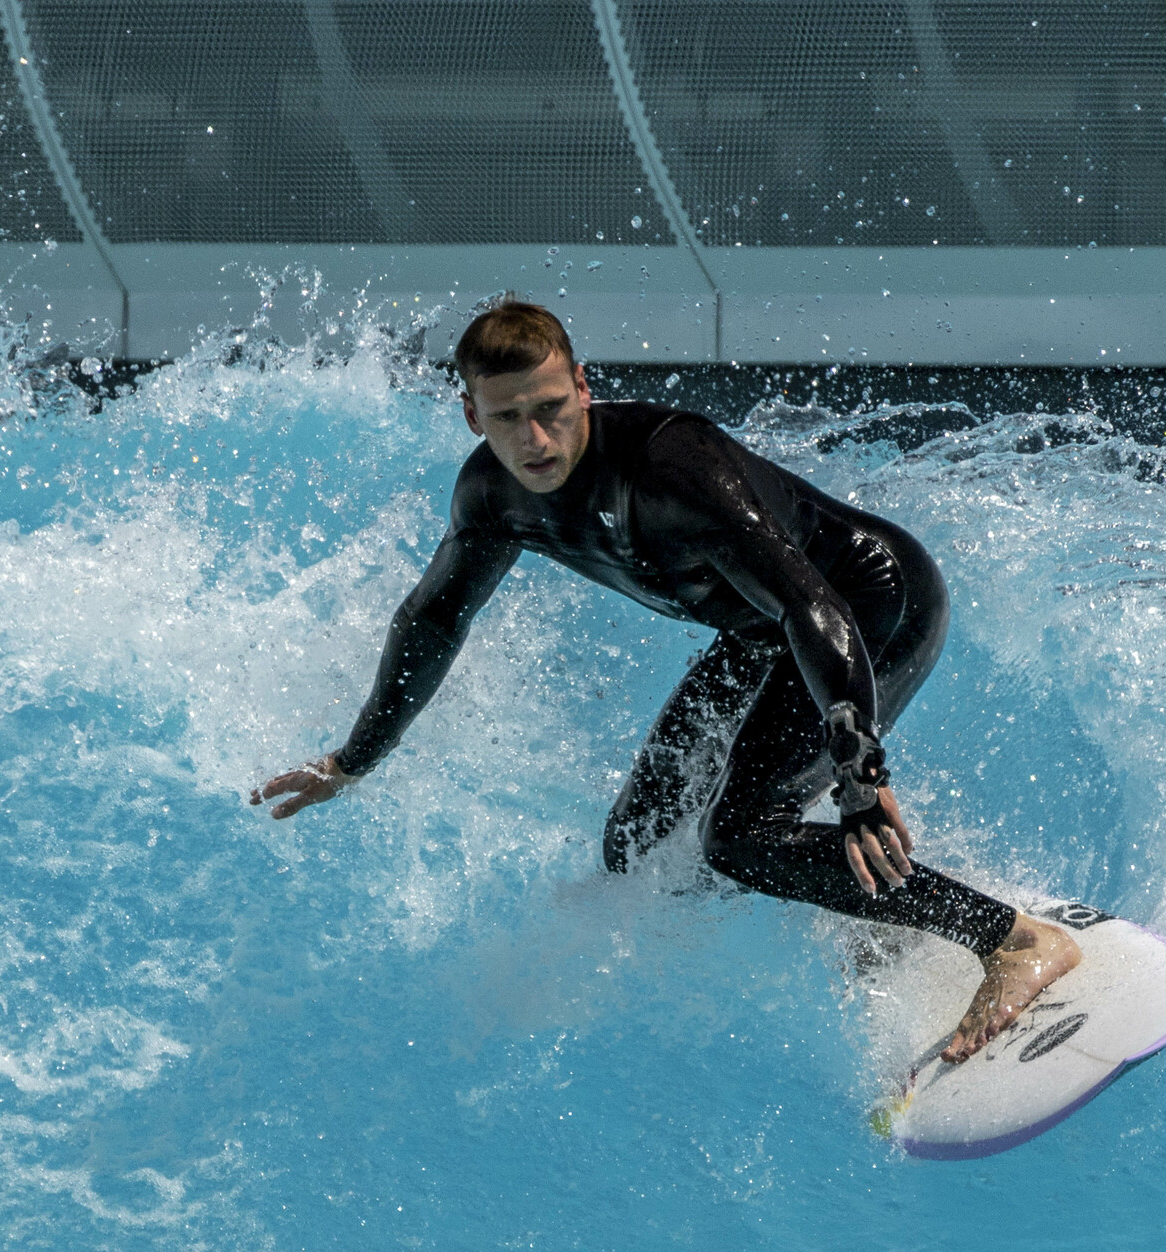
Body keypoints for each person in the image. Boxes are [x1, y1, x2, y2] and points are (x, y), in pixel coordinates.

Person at [253, 299, 1077, 1064]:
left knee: (741, 834)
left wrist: (860, 774)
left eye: (551, 409)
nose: (535, 440)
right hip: (764, 635)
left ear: (583, 387)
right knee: (637, 847)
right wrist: (352, 760)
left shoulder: (672, 470)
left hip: (870, 608)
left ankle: (1010, 940)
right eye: (507, 419)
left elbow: (811, 607)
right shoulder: (492, 497)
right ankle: (883, 911)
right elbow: (432, 624)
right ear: (473, 415)